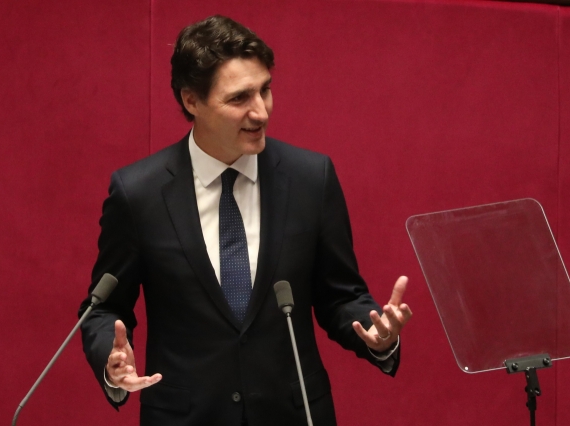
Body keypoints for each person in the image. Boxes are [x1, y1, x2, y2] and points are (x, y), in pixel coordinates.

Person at [79, 15, 412, 426]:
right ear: (191, 101)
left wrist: (377, 335)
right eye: (239, 98)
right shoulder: (139, 193)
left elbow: (341, 296)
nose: (260, 112)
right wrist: (112, 360)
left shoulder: (311, 179)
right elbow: (102, 307)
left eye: (265, 90)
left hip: (294, 414)